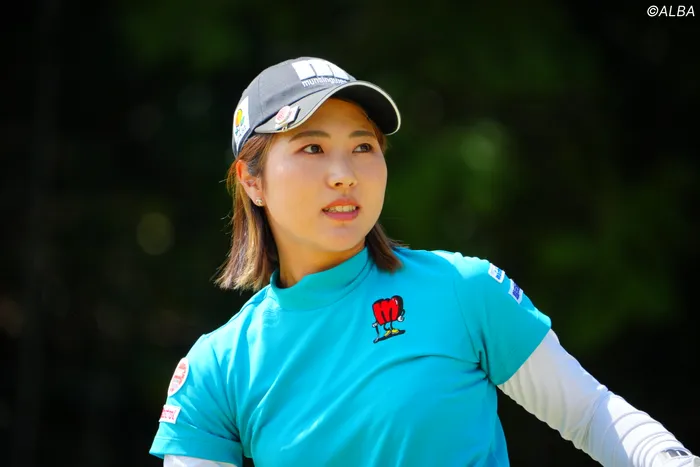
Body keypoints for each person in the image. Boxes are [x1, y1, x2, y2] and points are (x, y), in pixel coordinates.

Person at [149, 57, 697, 467]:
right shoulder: (215, 370)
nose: (344, 174)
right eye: (312, 148)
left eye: (363, 146)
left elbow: (591, 414)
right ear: (252, 181)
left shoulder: (463, 289)